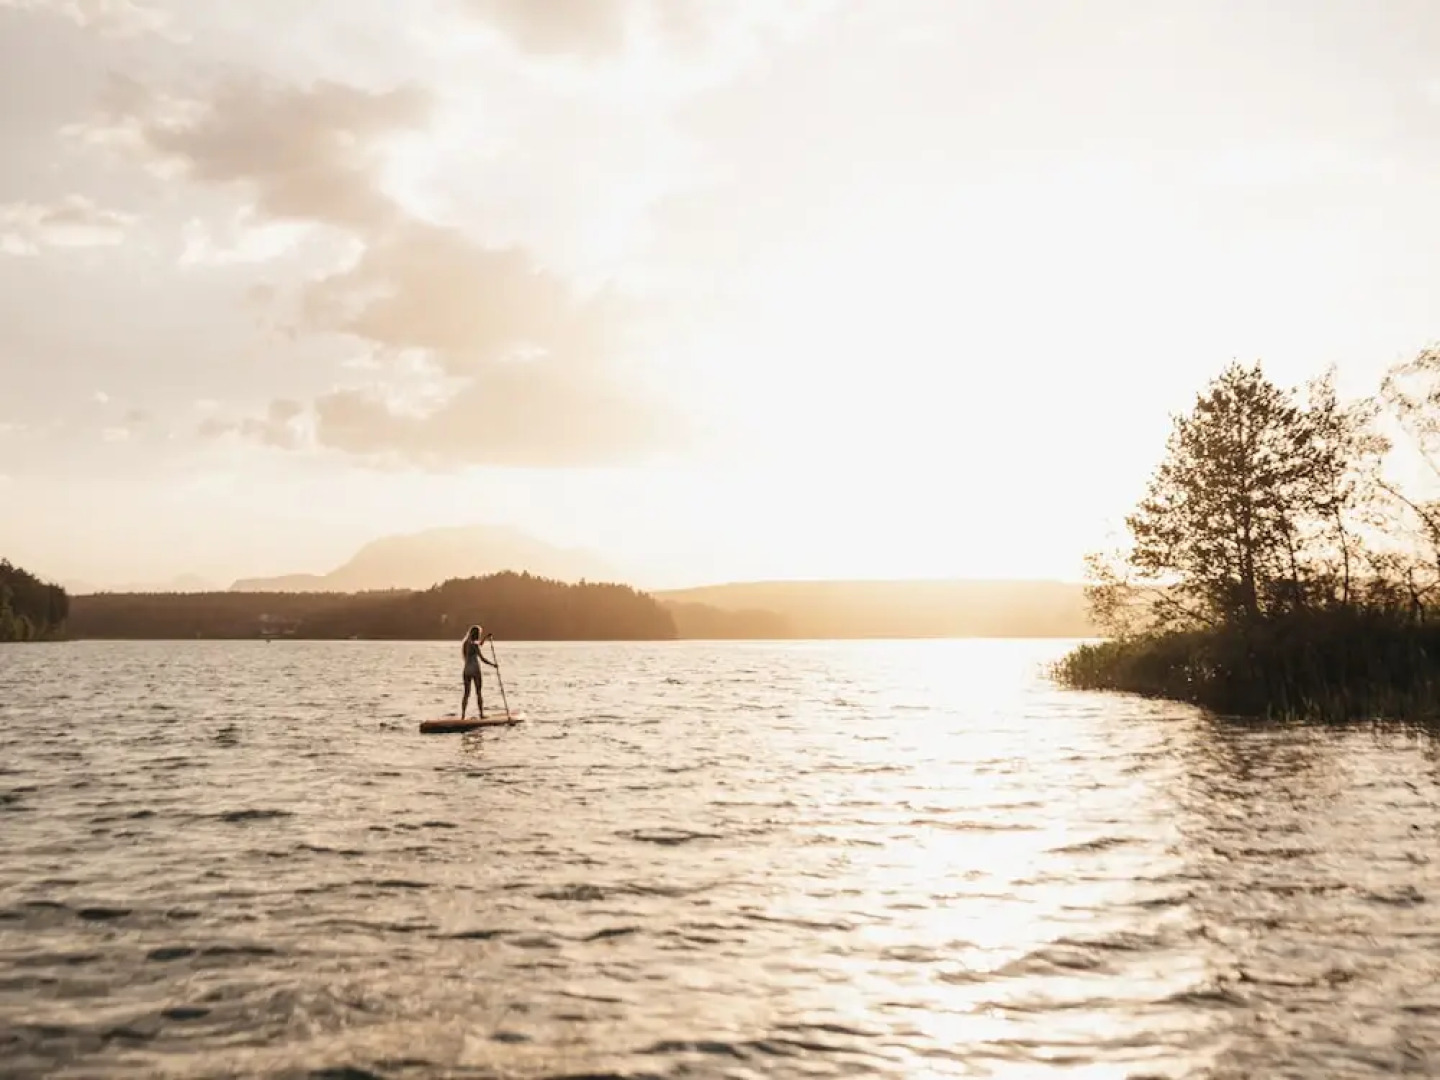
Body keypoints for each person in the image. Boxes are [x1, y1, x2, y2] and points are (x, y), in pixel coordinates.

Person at [460, 624, 497, 719]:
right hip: (475, 670)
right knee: (478, 693)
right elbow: (482, 659)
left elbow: (479, 644)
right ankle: (481, 714)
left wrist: (486, 638)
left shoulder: (465, 644)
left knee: (466, 694)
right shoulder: (474, 645)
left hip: (466, 671)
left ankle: (463, 715)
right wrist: (493, 665)